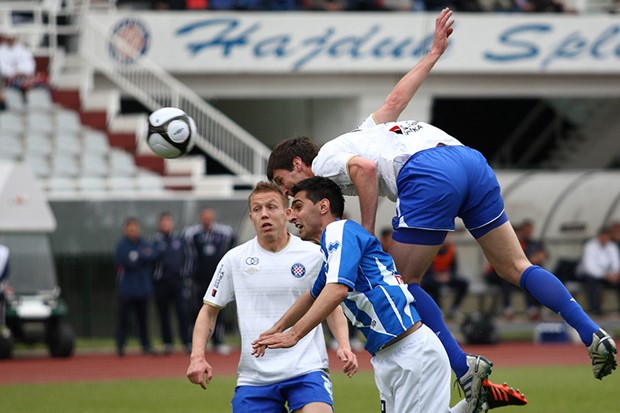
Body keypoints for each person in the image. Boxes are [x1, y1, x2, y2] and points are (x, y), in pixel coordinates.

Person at [266, 7, 617, 395]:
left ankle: (463, 367)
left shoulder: (327, 158)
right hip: (467, 159)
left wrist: (364, 232)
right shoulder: (361, 134)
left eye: (284, 182)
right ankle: (591, 332)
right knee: (515, 265)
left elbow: (364, 170)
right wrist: (433, 54)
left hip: (427, 171)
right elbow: (398, 98)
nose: (287, 193)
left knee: (403, 280)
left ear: (299, 163)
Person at [253, 177, 527, 412]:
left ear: (324, 206)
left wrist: (294, 334)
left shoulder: (340, 230)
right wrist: (275, 329)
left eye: (298, 206)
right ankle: (477, 401)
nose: (291, 216)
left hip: (411, 351)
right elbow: (312, 295)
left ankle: (476, 400)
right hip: (388, 357)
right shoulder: (332, 252)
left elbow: (335, 291)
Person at [186, 181, 358, 413]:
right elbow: (209, 310)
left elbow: (331, 305)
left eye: (271, 207)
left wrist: (344, 344)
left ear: (287, 213)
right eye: (257, 209)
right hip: (255, 377)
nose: (264, 214)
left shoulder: (314, 254)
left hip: (306, 369)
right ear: (251, 217)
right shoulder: (234, 259)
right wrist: (197, 356)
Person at [185, 207, 237, 355]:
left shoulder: (224, 233)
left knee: (218, 309)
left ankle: (218, 341)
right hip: (198, 279)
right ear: (201, 218)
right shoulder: (193, 234)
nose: (207, 220)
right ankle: (193, 342)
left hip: (217, 278)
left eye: (209, 217)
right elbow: (188, 253)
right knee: (196, 310)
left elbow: (233, 242)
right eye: (204, 217)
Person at [114, 217, 157, 356]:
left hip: (142, 289)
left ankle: (146, 345)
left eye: (135, 228)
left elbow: (152, 256)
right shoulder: (121, 245)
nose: (133, 231)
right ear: (125, 230)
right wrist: (141, 257)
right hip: (126, 290)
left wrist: (138, 257)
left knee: (143, 320)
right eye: (130, 228)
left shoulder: (144, 243)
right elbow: (125, 260)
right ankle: (121, 345)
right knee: (124, 320)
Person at [152, 212, 192, 354]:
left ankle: (186, 342)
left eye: (168, 222)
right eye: (163, 222)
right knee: (164, 314)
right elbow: (152, 261)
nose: (166, 225)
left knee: (183, 312)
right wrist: (156, 277)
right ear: (159, 225)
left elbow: (188, 258)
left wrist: (184, 274)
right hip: (162, 283)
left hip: (178, 283)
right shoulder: (156, 241)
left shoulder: (179, 240)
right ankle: (168, 342)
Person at [420, 237, 469, 320]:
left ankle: (454, 308)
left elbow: (454, 268)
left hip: (446, 277)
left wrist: (449, 276)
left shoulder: (451, 250)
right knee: (432, 285)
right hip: (432, 278)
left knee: (464, 283)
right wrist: (436, 276)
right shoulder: (430, 249)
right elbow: (426, 269)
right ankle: (439, 309)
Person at [578, 226, 620, 316]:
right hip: (590, 275)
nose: (604, 239)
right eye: (603, 237)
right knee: (592, 283)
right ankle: (595, 310)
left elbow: (616, 262)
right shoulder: (590, 246)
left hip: (608, 275)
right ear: (599, 236)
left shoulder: (612, 246)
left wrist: (615, 274)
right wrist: (604, 275)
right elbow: (589, 267)